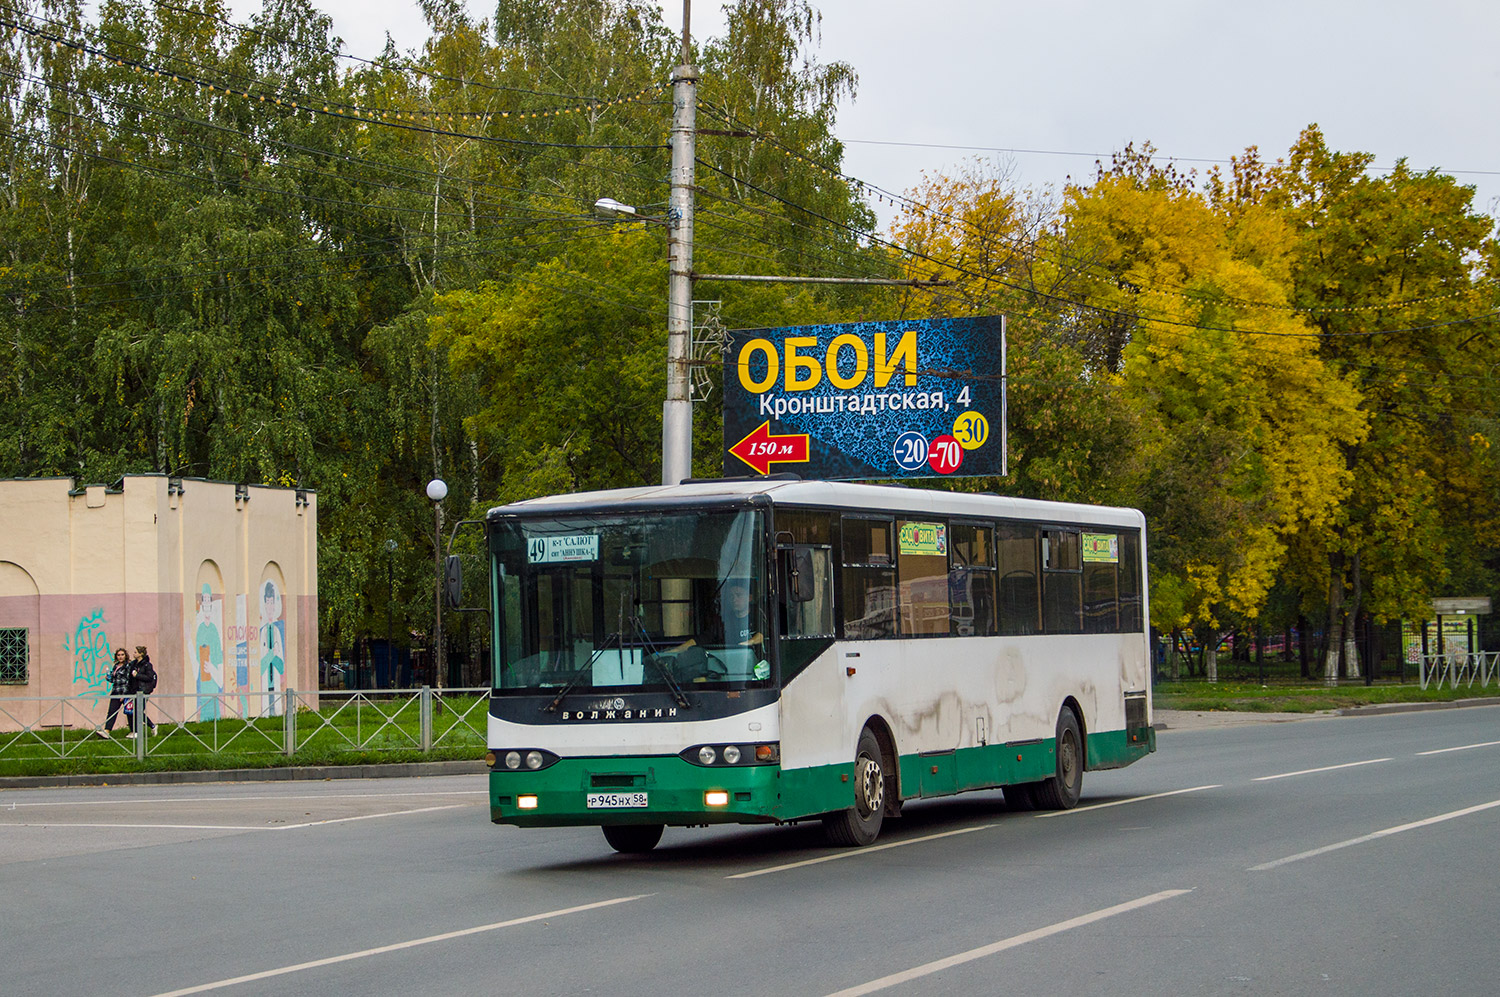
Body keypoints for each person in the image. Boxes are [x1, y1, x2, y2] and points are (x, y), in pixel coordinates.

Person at [98, 648, 131, 738]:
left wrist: (124, 695)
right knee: (112, 712)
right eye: (118, 655)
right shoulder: (116, 666)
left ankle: (134, 731)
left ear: (125, 656)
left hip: (124, 692)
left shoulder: (128, 666)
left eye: (122, 655)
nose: (120, 657)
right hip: (115, 691)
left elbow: (128, 681)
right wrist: (108, 678)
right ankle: (107, 731)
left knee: (129, 713)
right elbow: (114, 680)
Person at [126, 645, 158, 738]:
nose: (134, 654)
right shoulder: (133, 664)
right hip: (134, 690)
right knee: (132, 711)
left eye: (136, 652)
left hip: (143, 691)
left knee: (138, 711)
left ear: (141, 654)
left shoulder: (147, 665)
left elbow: (149, 677)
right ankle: (147, 727)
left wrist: (137, 675)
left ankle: (140, 731)